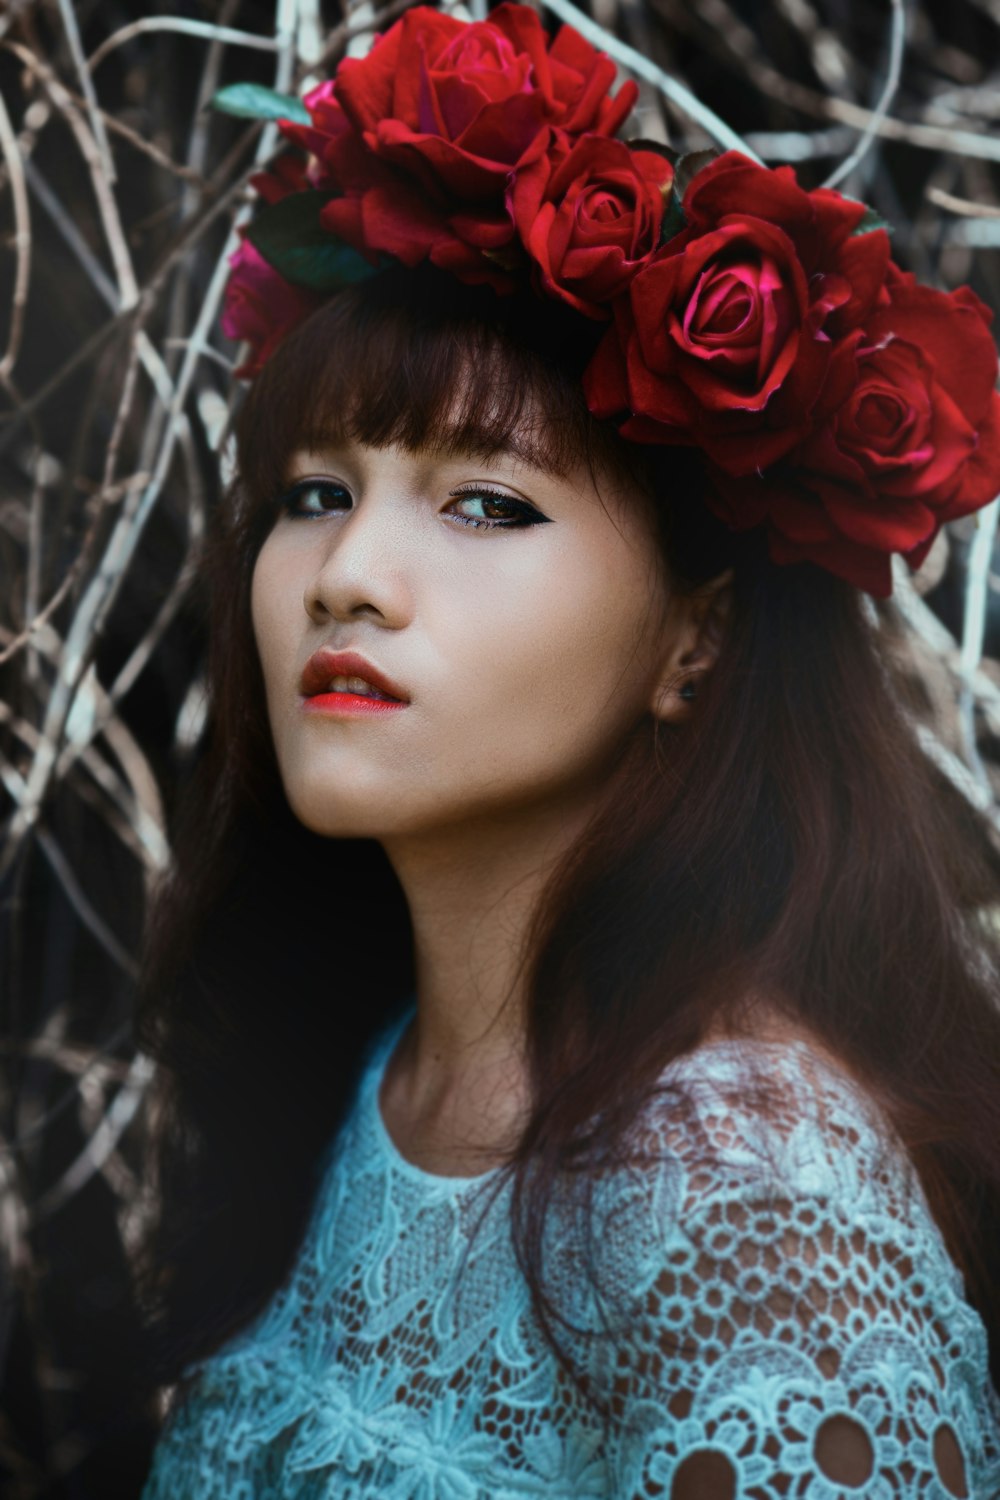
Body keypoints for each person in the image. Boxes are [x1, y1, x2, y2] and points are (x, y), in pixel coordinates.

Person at [134, 5, 1000, 1495]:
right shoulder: (367, 1073)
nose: (348, 575)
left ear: (697, 641)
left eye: (486, 504)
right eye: (313, 491)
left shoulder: (743, 1190)